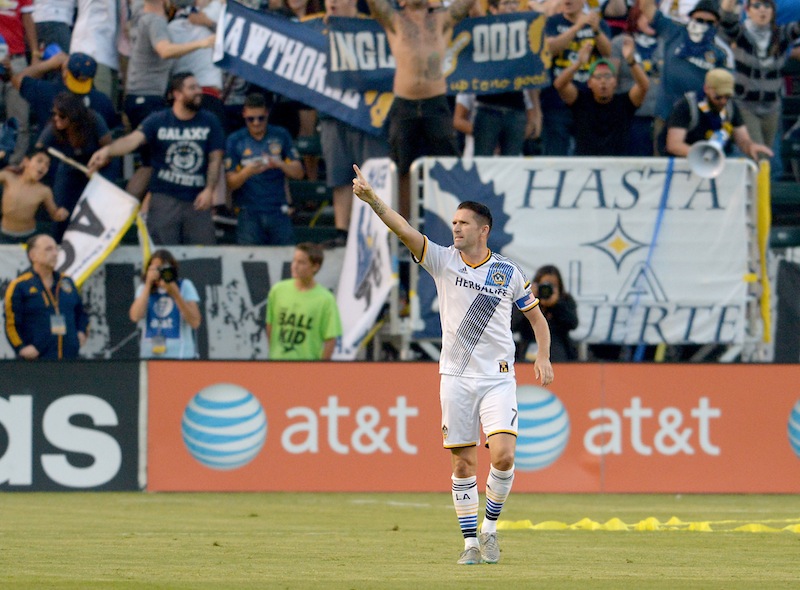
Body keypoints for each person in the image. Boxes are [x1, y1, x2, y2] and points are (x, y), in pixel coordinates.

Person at [352, 164, 554, 566]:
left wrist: (543, 355)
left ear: (484, 230)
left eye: (463, 223)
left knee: (503, 456)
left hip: (497, 378)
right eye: (454, 222)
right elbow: (403, 229)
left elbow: (536, 317)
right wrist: (374, 200)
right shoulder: (443, 261)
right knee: (463, 462)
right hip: (455, 377)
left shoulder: (507, 272)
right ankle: (470, 544)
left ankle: (491, 529)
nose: (455, 228)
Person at [364, 0, 480, 216]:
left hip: (435, 101)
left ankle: (456, 221)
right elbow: (374, 4)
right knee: (401, 167)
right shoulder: (394, 19)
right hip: (404, 103)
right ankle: (403, 227)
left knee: (448, 165)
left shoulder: (442, 18)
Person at [87, 72, 225, 245]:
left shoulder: (210, 121)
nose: (198, 91)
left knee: (204, 255)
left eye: (198, 87)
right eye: (192, 88)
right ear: (177, 94)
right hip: (164, 198)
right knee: (162, 254)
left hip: (197, 200)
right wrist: (107, 151)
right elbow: (132, 140)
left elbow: (215, 158)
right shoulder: (158, 120)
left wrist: (209, 190)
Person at [303, 0, 390, 247]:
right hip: (333, 112)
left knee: (372, 176)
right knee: (339, 175)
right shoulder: (316, 25)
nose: (332, 2)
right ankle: (343, 231)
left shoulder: (372, 26)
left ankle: (379, 229)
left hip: (368, 114)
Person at [640, 0, 734, 152]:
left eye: (709, 22)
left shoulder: (720, 52)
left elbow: (723, 88)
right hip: (666, 112)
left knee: (699, 164)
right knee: (661, 166)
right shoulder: (675, 31)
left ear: (716, 24)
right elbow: (646, 7)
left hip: (698, 119)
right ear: (691, 18)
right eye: (699, 20)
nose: (703, 24)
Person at [719, 0, 800, 152]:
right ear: (748, 10)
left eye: (767, 6)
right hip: (746, 105)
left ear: (772, 11)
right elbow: (726, 20)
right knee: (758, 153)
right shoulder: (742, 34)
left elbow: (797, 28)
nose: (762, 10)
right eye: (756, 6)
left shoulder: (781, 34)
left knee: (768, 157)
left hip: (772, 108)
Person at [225, 92, 304, 245]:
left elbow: (299, 172)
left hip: (278, 210)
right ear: (244, 115)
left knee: (285, 260)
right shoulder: (236, 140)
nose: (256, 123)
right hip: (248, 212)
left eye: (261, 118)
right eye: (251, 119)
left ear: (267, 114)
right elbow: (230, 182)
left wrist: (279, 164)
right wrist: (247, 171)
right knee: (250, 261)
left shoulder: (280, 135)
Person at [34, 91, 113, 241]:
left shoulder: (94, 120)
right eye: (54, 114)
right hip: (69, 165)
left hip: (98, 166)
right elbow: (39, 148)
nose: (56, 118)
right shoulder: (55, 126)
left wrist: (97, 166)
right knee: (61, 205)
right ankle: (58, 242)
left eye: (62, 116)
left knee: (97, 209)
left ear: (74, 116)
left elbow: (109, 151)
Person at [554, 39, 649, 155]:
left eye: (608, 76)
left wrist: (631, 62)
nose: (603, 81)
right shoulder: (580, 100)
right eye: (598, 77)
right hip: (586, 164)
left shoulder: (625, 102)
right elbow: (559, 84)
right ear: (589, 82)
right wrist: (578, 63)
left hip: (617, 165)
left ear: (615, 82)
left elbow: (644, 86)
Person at [542, 0, 613, 156]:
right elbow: (549, 49)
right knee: (555, 156)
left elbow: (608, 53)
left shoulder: (597, 22)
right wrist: (577, 27)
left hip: (588, 102)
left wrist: (596, 31)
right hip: (556, 102)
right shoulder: (552, 22)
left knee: (588, 156)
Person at [471, 0, 540, 156]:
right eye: (505, 3)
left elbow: (531, 76)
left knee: (511, 168)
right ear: (493, 9)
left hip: (516, 111)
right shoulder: (484, 30)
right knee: (482, 166)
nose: (511, 7)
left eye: (514, 3)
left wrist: (536, 113)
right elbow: (474, 12)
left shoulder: (524, 35)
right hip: (487, 108)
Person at [4, 233, 89, 359]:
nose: (55, 253)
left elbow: (81, 312)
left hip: (69, 359)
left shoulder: (67, 282)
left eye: (56, 249)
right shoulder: (19, 286)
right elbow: (11, 323)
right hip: (37, 361)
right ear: (33, 255)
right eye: (48, 249)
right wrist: (21, 348)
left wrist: (82, 332)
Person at [665, 67, 774, 160]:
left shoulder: (730, 107)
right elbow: (674, 144)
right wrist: (705, 155)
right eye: (718, 97)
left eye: (727, 97)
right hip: (686, 160)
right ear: (706, 89)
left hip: (718, 158)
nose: (723, 101)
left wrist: (750, 146)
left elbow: (742, 139)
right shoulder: (687, 106)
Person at [266, 242, 342, 360]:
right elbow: (270, 325)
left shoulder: (325, 299)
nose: (294, 266)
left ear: (315, 266)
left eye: (301, 262)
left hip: (308, 367)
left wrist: (320, 368)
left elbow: (331, 340)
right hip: (278, 364)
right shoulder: (277, 291)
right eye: (294, 261)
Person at [12, 51, 119, 132]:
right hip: (88, 160)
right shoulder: (103, 101)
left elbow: (17, 79)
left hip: (50, 159)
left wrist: (51, 63)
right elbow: (113, 130)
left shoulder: (47, 92)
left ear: (65, 73)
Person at [129, 249, 202, 359]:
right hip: (150, 355)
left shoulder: (184, 285)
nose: (161, 273)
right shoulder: (144, 289)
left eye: (165, 269)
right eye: (157, 269)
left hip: (180, 355)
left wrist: (176, 294)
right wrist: (148, 284)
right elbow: (135, 316)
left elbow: (195, 322)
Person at [513, 265, 579, 363]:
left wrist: (557, 305)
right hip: (530, 352)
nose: (547, 290)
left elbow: (572, 324)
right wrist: (528, 302)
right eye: (544, 285)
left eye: (553, 285)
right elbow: (513, 326)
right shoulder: (524, 301)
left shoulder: (565, 300)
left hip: (558, 353)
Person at [0, 149, 68, 244]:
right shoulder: (8, 177)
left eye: (47, 165)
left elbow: (54, 215)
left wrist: (60, 215)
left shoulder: (44, 191)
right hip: (3, 234)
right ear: (26, 162)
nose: (43, 166)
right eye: (39, 161)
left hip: (28, 237)